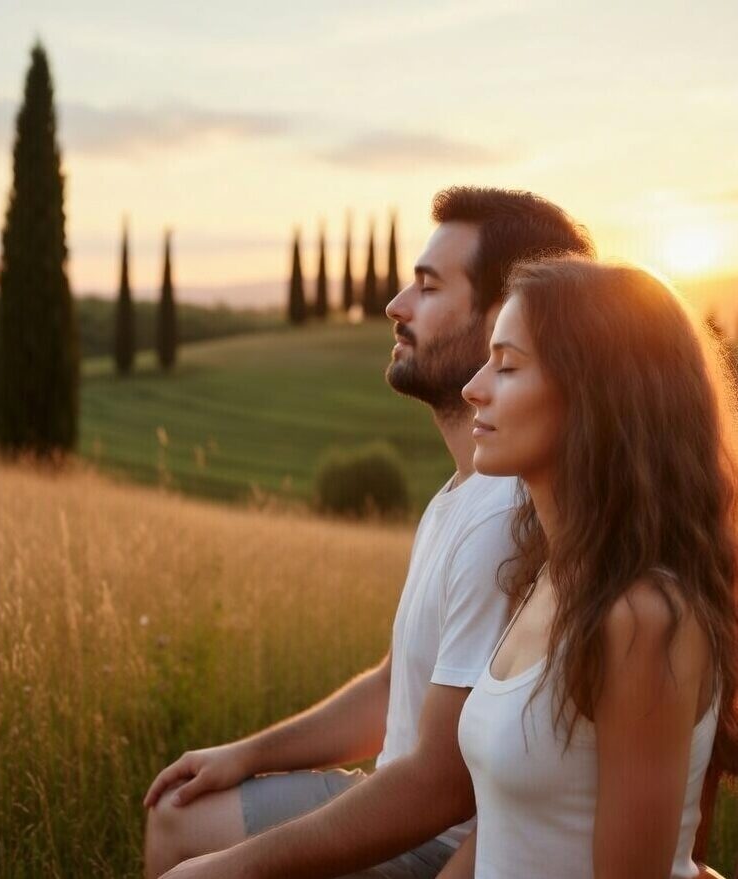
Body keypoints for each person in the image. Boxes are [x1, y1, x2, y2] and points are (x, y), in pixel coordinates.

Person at [143, 187, 595, 879]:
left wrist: (238, 865)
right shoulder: (460, 493)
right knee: (180, 809)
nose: (394, 305)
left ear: (505, 317)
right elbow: (395, 689)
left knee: (190, 847)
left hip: (442, 844)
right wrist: (248, 753)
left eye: (427, 286)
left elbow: (441, 787)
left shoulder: (501, 520)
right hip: (416, 814)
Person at [442, 258, 738, 878]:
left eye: (509, 364)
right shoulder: (548, 576)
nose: (474, 387)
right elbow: (511, 830)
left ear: (596, 394)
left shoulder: (642, 617)